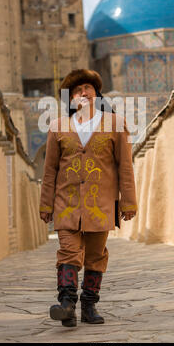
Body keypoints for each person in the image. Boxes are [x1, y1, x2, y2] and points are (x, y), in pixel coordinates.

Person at [39, 69, 137, 327]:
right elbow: (50, 169)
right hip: (66, 203)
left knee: (95, 255)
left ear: (96, 93)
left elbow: (125, 166)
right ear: (70, 99)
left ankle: (89, 305)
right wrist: (46, 203)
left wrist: (127, 202)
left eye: (87, 88)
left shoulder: (115, 124)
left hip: (101, 203)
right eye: (77, 91)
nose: (83, 93)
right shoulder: (57, 127)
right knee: (68, 252)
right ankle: (67, 304)